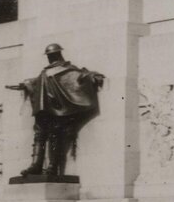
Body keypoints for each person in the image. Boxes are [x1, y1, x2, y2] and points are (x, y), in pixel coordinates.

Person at [7, 43, 105, 177]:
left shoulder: (67, 69)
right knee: (39, 134)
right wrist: (26, 84)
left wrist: (92, 76)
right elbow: (38, 82)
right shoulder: (45, 71)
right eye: (49, 56)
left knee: (54, 134)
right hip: (43, 107)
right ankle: (36, 164)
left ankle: (52, 166)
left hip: (57, 107)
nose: (50, 58)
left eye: (52, 55)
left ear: (58, 54)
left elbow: (79, 76)